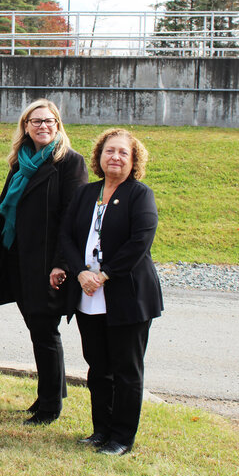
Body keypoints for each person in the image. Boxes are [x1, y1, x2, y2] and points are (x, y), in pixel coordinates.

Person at [0, 99, 87, 425]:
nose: (43, 126)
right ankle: (49, 394)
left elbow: (73, 218)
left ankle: (50, 406)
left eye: (49, 121)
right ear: (26, 127)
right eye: (36, 121)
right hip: (18, 259)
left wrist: (62, 264)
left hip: (47, 264)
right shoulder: (21, 163)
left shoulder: (69, 163)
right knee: (36, 330)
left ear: (58, 126)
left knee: (45, 331)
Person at [59, 128, 162, 456]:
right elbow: (66, 237)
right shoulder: (86, 193)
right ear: (99, 157)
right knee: (97, 366)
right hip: (89, 295)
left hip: (127, 296)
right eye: (109, 151)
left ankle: (121, 437)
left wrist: (102, 275)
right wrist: (80, 273)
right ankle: (100, 430)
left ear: (134, 161)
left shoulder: (139, 195)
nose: (115, 157)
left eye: (123, 153)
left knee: (126, 370)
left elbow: (139, 243)